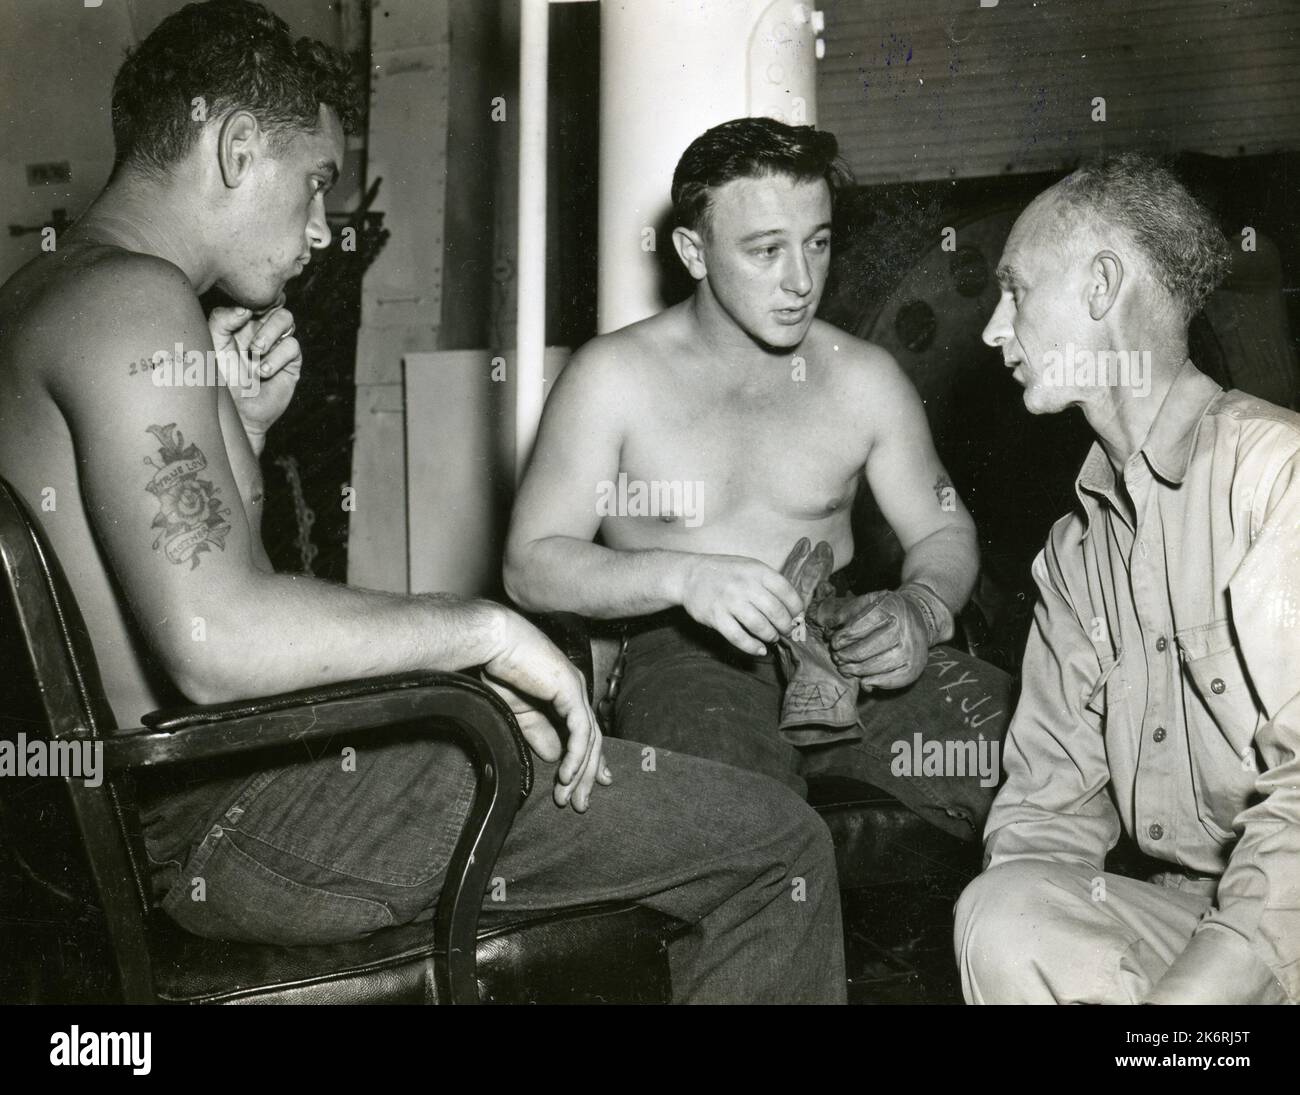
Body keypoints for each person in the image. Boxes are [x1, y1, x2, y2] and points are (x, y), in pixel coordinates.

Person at [0, 0, 846, 1004]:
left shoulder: (44, 292)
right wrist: (482, 633)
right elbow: (209, 634)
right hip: (235, 818)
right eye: (314, 181)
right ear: (235, 149)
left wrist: (247, 432)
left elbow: (163, 588)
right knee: (774, 845)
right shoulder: (135, 301)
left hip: (164, 819)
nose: (321, 226)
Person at [505, 117, 1013, 841]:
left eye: (818, 242)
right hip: (684, 653)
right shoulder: (612, 379)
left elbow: (941, 525)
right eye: (766, 251)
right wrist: (686, 578)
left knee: (1039, 767)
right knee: (739, 834)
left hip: (845, 637)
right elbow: (531, 563)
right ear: (693, 250)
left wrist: (921, 611)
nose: (802, 281)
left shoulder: (865, 379)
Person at [953, 153, 1299, 1004]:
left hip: (1278, 918)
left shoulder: (1275, 476)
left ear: (1102, 285)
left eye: (1017, 291)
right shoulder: (1077, 555)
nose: (995, 329)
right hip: (1204, 926)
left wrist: (1176, 1017)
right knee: (1004, 913)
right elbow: (1042, 821)